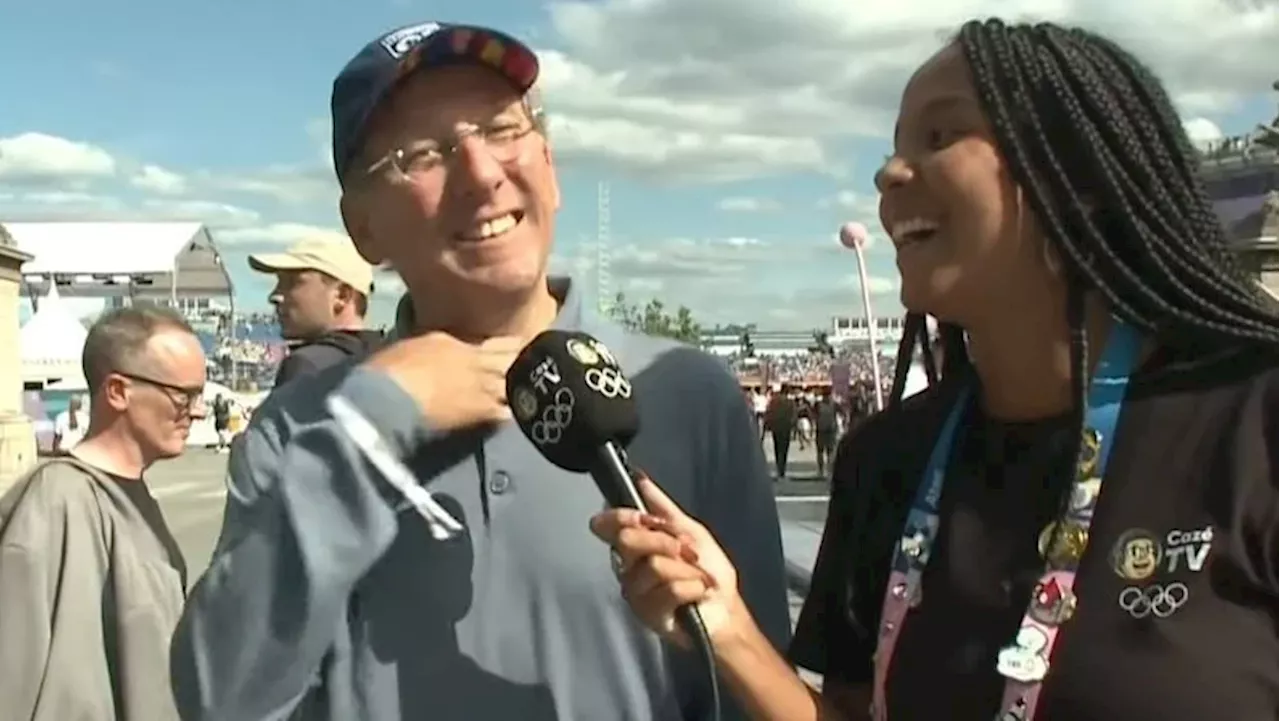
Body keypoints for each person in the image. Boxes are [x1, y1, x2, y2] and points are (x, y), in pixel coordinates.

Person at [588, 18, 1280, 721]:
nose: (887, 172)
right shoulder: (887, 460)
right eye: (893, 147)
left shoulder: (1254, 418)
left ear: (1076, 179)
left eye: (941, 136)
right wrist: (727, 625)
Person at [170, 20, 790, 721]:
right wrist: (369, 426)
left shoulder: (686, 390)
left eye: (502, 130)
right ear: (362, 228)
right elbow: (222, 701)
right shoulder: (301, 429)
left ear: (549, 165)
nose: (482, 173)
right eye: (423, 153)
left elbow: (763, 690)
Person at [0, 306, 206, 720]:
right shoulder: (60, 501)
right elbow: (32, 679)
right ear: (117, 391)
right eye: (183, 396)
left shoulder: (128, 493)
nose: (198, 412)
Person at [247, 237, 385, 387]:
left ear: (341, 295)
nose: (274, 296)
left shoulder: (309, 366)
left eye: (293, 282)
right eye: (279, 282)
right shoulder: (389, 357)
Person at [763, 385, 796, 479]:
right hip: (786, 427)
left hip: (776, 427)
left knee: (777, 448)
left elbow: (768, 412)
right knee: (784, 449)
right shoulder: (790, 402)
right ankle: (782, 470)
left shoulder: (774, 401)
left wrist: (767, 425)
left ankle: (778, 468)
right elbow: (794, 415)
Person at [812, 391, 838, 478]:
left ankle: (824, 471)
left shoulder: (820, 404)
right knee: (825, 451)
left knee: (825, 451)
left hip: (824, 429)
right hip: (827, 430)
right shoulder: (833, 404)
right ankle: (825, 471)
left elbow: (814, 415)